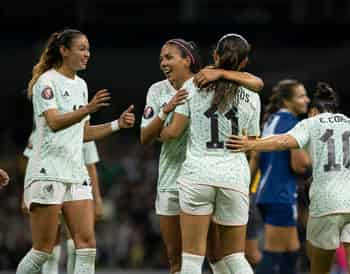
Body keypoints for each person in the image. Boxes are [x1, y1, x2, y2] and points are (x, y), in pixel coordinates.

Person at [227, 82, 350, 274]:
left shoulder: (310, 123)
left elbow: (283, 141)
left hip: (327, 203)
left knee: (318, 270)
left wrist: (251, 144)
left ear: (313, 112)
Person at [140, 38, 263, 274]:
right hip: (233, 176)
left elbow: (172, 131)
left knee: (192, 260)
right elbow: (253, 142)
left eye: (169, 56)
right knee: (235, 257)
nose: (163, 62)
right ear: (244, 61)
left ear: (215, 56)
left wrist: (162, 127)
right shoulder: (252, 95)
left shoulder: (193, 86)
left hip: (197, 175)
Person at [17, 28, 135, 274]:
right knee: (43, 249)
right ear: (64, 50)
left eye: (88, 49)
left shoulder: (81, 85)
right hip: (48, 171)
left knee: (86, 245)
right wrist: (88, 108)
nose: (87, 54)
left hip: (75, 172)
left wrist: (117, 124)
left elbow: (83, 133)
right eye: (81, 48)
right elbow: (54, 122)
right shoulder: (46, 82)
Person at [22, 132, 103, 274]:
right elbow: (32, 160)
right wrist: (26, 192)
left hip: (75, 186)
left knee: (78, 243)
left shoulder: (82, 126)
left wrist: (97, 199)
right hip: (48, 184)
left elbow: (90, 165)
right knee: (48, 246)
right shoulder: (42, 128)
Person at [253, 80, 310, 274]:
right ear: (287, 101)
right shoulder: (294, 124)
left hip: (266, 192)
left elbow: (256, 157)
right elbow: (299, 164)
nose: (307, 100)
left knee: (291, 252)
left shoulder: (270, 121)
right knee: (274, 253)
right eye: (301, 96)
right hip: (281, 194)